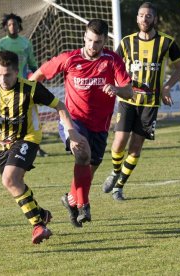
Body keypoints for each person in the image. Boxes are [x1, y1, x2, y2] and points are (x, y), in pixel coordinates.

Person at [0, 50, 87, 244]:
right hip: (2, 144)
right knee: (15, 184)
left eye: (8, 75)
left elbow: (60, 106)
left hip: (27, 139)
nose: (3, 79)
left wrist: (71, 132)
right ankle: (41, 214)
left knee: (9, 179)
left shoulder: (31, 89)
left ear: (17, 72)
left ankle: (38, 226)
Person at [30, 19, 133, 227]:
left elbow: (129, 91)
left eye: (97, 42)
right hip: (72, 120)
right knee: (83, 154)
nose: (92, 46)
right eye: (89, 40)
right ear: (84, 37)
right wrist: (26, 95)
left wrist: (116, 89)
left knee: (89, 166)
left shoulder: (112, 60)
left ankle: (71, 200)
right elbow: (39, 75)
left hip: (100, 126)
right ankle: (84, 205)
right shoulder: (69, 58)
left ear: (105, 41)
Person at [102, 2, 180, 201]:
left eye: (148, 16)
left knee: (136, 147)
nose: (144, 19)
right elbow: (113, 66)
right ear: (137, 18)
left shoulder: (167, 42)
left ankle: (119, 187)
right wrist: (116, 87)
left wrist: (166, 86)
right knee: (119, 142)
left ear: (154, 19)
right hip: (128, 99)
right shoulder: (126, 42)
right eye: (141, 15)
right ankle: (114, 172)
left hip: (150, 103)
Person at [0, 13, 48, 157]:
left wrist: (40, 75)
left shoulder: (25, 43)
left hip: (23, 87)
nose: (12, 27)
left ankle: (35, 147)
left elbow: (32, 63)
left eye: (14, 24)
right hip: (5, 87)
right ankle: (1, 148)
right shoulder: (1, 44)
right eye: (9, 24)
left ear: (19, 26)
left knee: (30, 118)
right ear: (5, 27)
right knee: (3, 118)